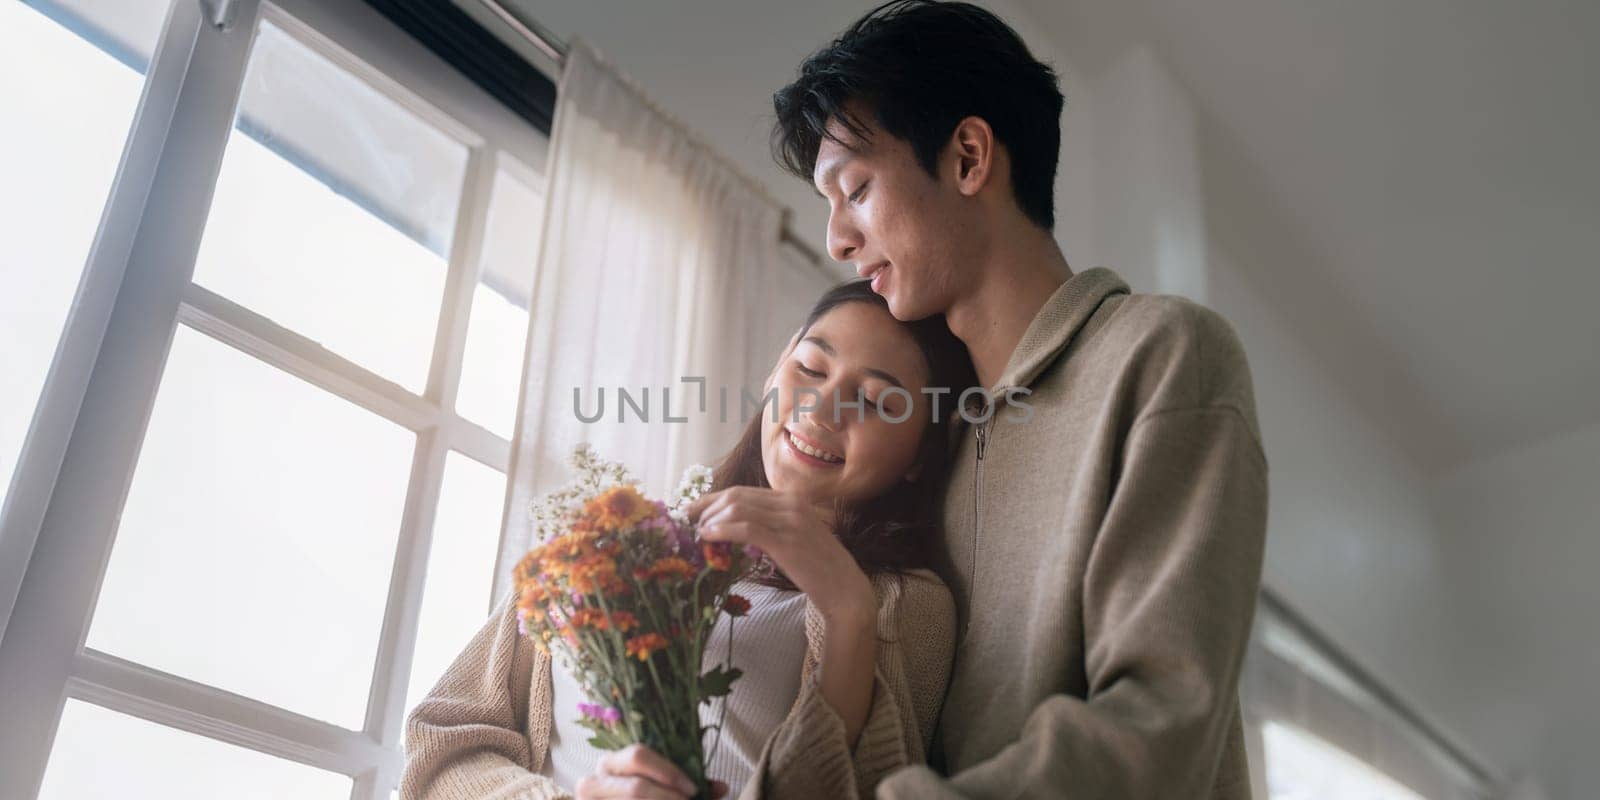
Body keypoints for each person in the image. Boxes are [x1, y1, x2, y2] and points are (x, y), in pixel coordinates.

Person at [767, 1, 1270, 797]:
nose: (836, 239)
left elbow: (1164, 718)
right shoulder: (928, 430)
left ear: (968, 157)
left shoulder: (1162, 353)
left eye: (855, 188)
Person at [401, 279, 979, 800]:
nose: (822, 408)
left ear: (919, 456)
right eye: (810, 368)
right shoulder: (616, 548)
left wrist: (847, 608)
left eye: (876, 401)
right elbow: (441, 747)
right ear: (774, 372)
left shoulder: (909, 607)